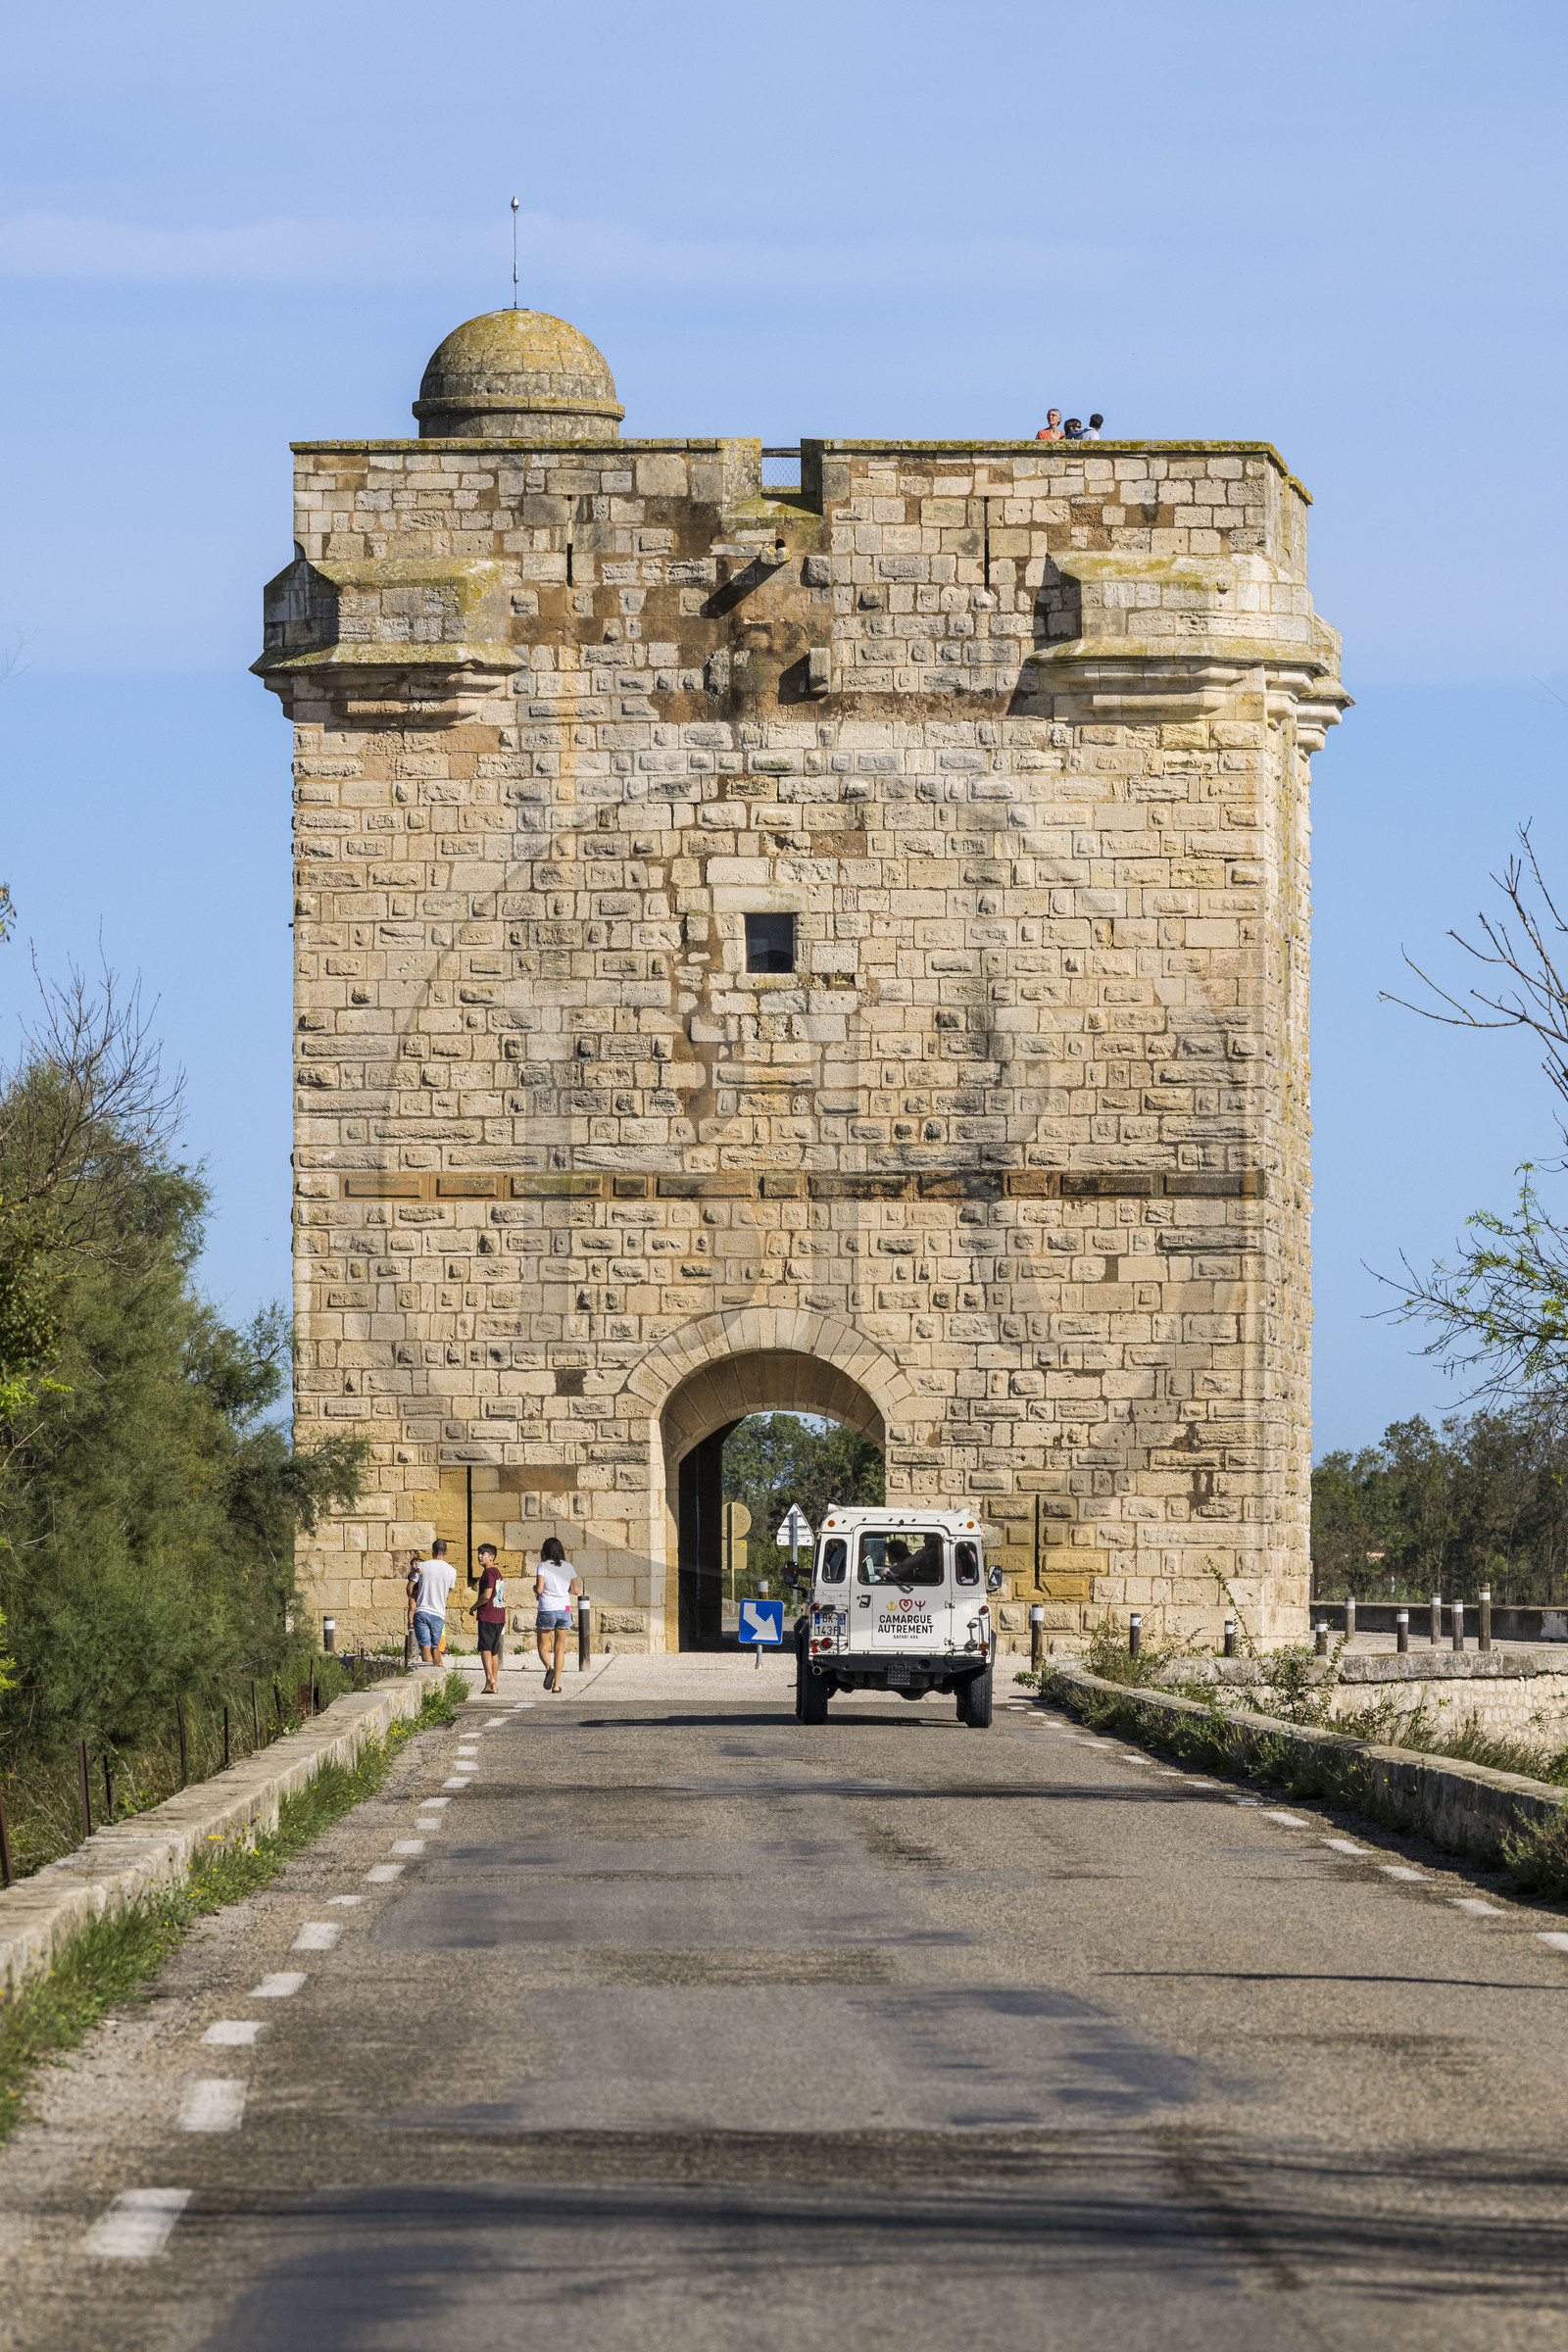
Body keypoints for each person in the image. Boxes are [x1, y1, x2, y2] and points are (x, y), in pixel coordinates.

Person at [535, 1536, 582, 1692]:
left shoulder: (542, 1566)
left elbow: (540, 1589)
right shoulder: (569, 1567)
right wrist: (564, 1589)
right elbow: (576, 1591)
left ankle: (549, 1668)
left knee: (542, 1647)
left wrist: (536, 1588)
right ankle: (556, 1686)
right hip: (565, 1608)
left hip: (547, 1608)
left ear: (545, 1551)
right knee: (560, 1648)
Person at [409, 1538, 457, 1664]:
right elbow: (448, 1591)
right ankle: (437, 1678)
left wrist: (412, 1595)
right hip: (439, 1613)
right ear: (446, 1552)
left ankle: (428, 1678)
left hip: (422, 1611)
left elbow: (409, 1587)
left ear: (432, 1550)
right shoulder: (452, 1571)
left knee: (425, 1646)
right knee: (436, 1648)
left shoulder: (422, 1566)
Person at [468, 1542, 507, 1694]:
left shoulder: (489, 1573)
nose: (479, 1556)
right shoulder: (498, 1573)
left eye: (483, 1554)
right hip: (498, 1615)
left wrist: (473, 1607)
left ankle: (490, 1678)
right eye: (479, 1553)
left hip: (488, 1615)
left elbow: (487, 1595)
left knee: (485, 1648)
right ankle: (492, 1684)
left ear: (492, 1557)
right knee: (494, 1650)